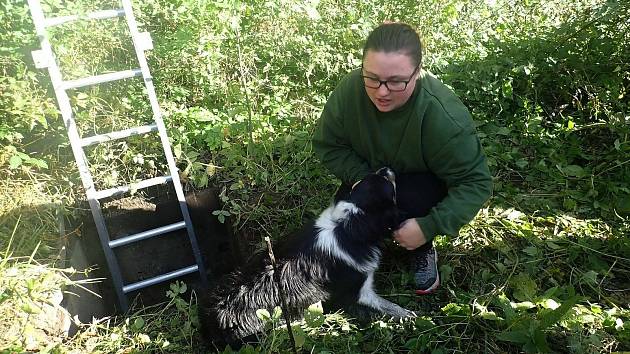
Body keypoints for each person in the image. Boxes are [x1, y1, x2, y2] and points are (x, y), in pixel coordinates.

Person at [312, 22, 493, 294]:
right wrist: (363, 179)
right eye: (372, 78)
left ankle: (420, 247)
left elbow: (476, 183)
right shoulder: (350, 89)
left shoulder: (443, 117)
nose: (381, 91)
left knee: (412, 202)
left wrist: (428, 225)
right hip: (371, 173)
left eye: (396, 81)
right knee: (344, 211)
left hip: (422, 182)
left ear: (418, 72)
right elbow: (328, 145)